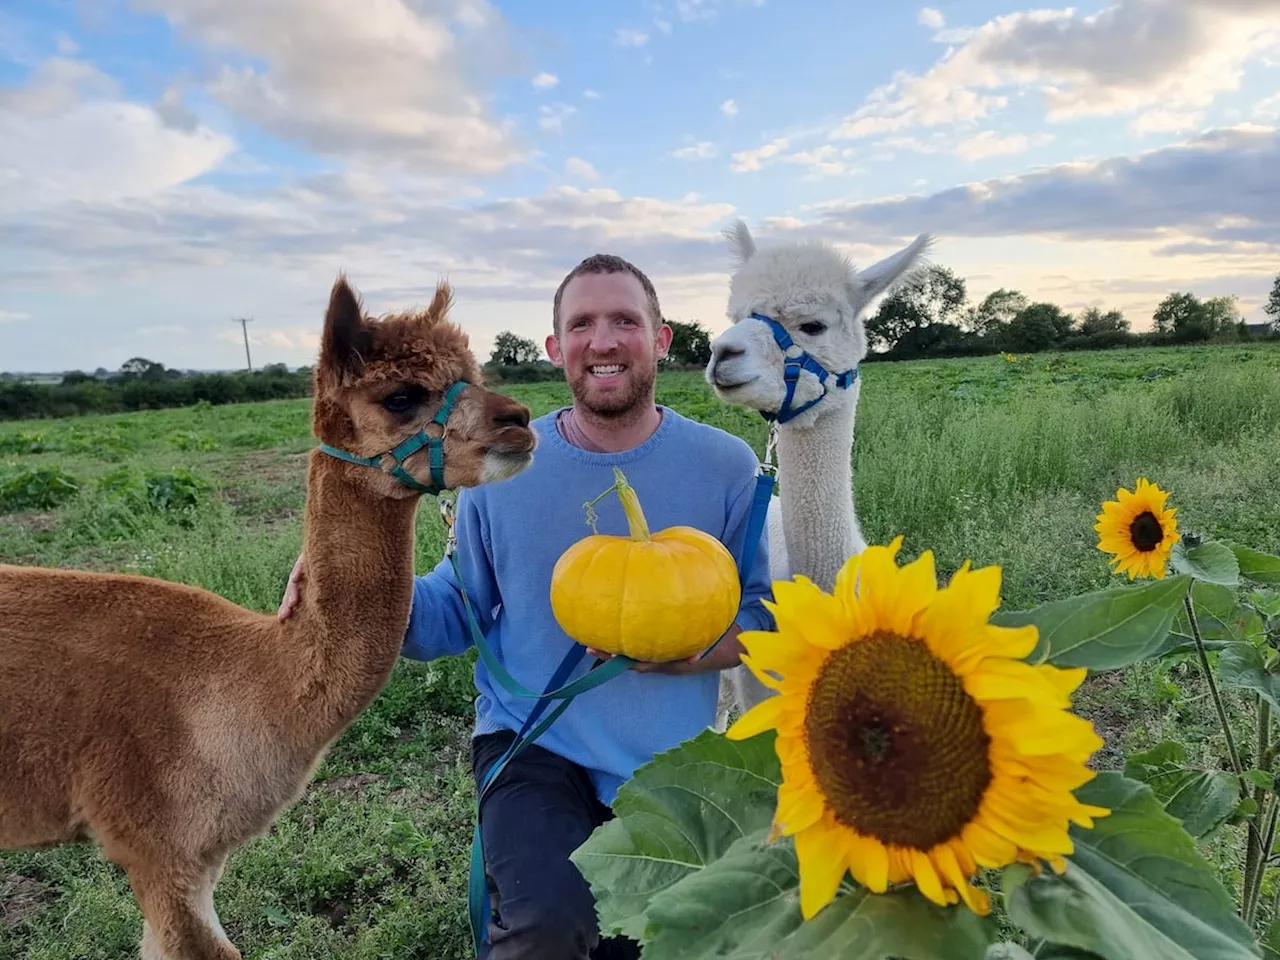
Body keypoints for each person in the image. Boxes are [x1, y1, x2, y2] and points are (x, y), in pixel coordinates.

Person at [277, 253, 773, 959]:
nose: (603, 340)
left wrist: (694, 651)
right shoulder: (502, 465)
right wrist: (351, 578)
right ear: (555, 348)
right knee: (546, 931)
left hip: (670, 760)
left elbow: (768, 615)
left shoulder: (726, 467)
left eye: (625, 321)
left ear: (661, 341)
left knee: (649, 944)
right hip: (534, 744)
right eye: (582, 324)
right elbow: (456, 611)